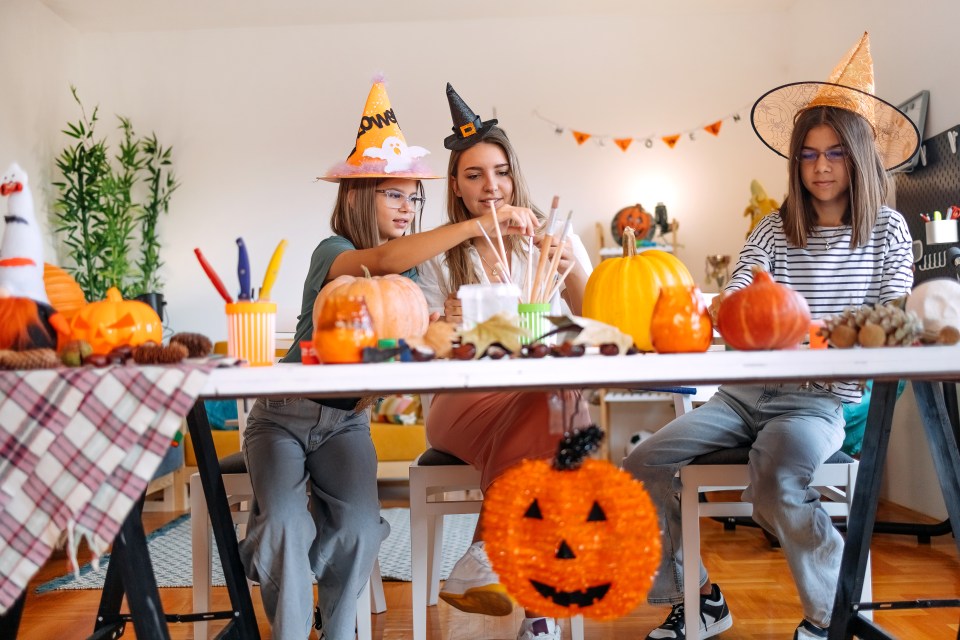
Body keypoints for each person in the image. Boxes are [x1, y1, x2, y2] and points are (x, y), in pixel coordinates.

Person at [622, 32, 919, 640]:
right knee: (641, 462)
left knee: (776, 485)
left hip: (819, 400)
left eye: (834, 153)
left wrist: (820, 337)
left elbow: (892, 318)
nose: (821, 167)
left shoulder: (888, 231)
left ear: (859, 155)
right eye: (808, 155)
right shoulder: (774, 230)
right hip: (741, 395)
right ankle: (698, 594)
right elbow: (739, 304)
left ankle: (828, 616)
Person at [238, 78, 537, 640]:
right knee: (282, 526)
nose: (408, 207)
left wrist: (454, 321)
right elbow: (383, 259)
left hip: (346, 422)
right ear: (359, 196)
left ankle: (339, 630)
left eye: (413, 197)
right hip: (284, 414)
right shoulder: (338, 254)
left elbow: (422, 344)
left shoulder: (416, 276)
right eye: (394, 194)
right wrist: (483, 223)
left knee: (357, 530)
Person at [416, 84, 594, 640]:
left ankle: (500, 574)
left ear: (514, 176)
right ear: (456, 185)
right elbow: (423, 348)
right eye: (473, 175)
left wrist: (576, 272)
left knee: (558, 406)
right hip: (460, 404)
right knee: (566, 424)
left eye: (499, 172)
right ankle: (531, 602)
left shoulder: (552, 238)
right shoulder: (440, 255)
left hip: (539, 400)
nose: (490, 186)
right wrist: (444, 325)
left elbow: (592, 319)